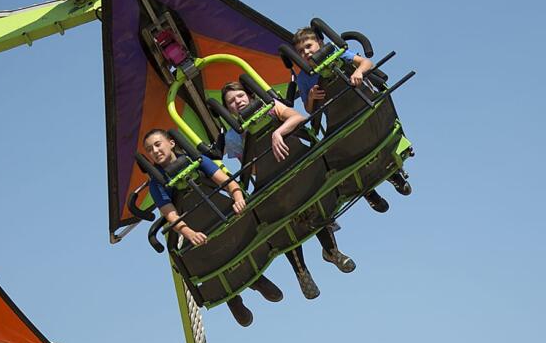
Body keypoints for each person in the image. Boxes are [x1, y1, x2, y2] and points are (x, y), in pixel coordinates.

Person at [219, 81, 356, 300]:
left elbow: (297, 117)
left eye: (239, 97)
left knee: (310, 198)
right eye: (231, 102)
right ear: (228, 111)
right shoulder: (234, 137)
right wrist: (255, 144)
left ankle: (331, 251)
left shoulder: (271, 106)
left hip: (298, 164)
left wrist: (277, 134)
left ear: (249, 96)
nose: (237, 102)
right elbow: (251, 170)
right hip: (273, 180)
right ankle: (301, 271)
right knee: (284, 219)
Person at [143, 128, 283, 327]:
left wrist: (237, 197)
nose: (155, 150)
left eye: (158, 144)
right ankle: (232, 299)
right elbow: (171, 215)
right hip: (198, 227)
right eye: (150, 149)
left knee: (239, 231)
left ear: (171, 143)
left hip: (221, 213)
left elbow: (226, 181)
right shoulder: (157, 184)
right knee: (200, 253)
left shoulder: (196, 160)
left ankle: (256, 279)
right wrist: (188, 233)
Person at [290, 27, 411, 212]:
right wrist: (312, 97)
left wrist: (358, 72)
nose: (306, 52)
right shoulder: (304, 78)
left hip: (364, 108)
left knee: (370, 136)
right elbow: (308, 108)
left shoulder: (336, 54)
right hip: (339, 122)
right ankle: (367, 191)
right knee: (337, 155)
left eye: (309, 46)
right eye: (301, 51)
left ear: (320, 43)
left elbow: (366, 63)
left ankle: (393, 173)